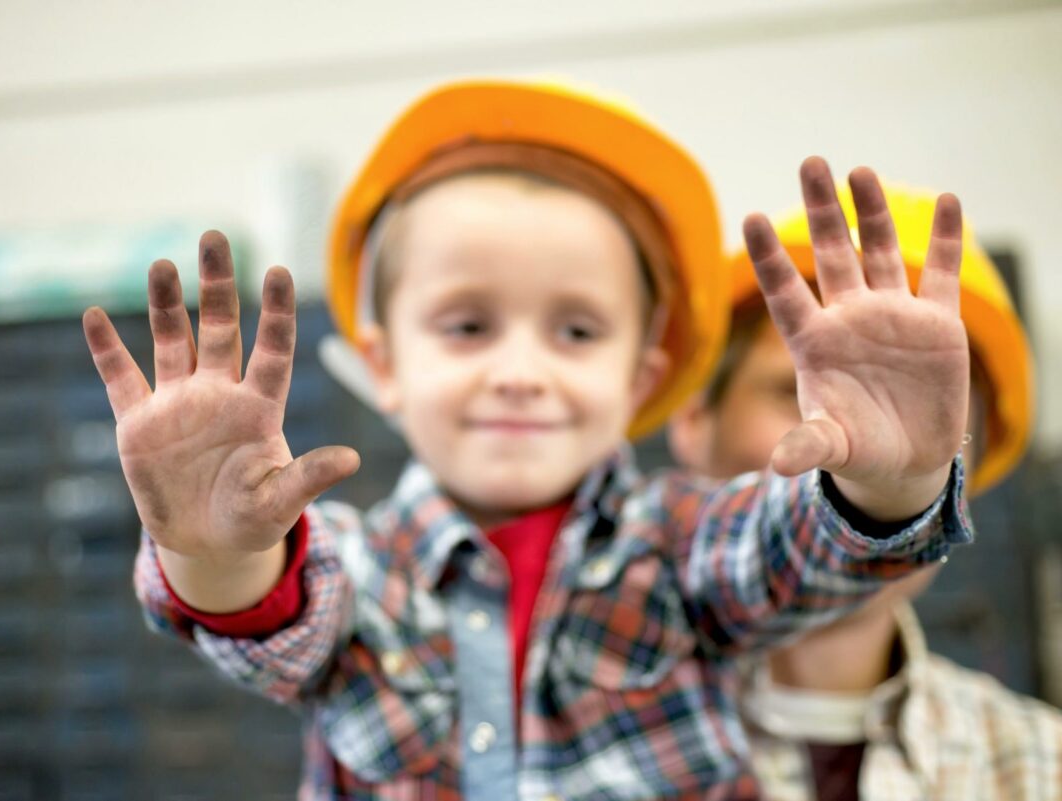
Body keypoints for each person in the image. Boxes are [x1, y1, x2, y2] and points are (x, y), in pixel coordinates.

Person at [83, 80, 976, 799]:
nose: (520, 370)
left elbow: (797, 549)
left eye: (577, 332)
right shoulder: (360, 566)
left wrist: (898, 481)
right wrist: (208, 551)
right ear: (384, 363)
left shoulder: (680, 543)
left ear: (639, 380)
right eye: (468, 326)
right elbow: (274, 617)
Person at [668, 182, 1062, 801]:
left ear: (963, 479)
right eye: (802, 389)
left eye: (933, 412)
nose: (867, 446)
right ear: (694, 420)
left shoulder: (1043, 766)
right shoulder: (575, 730)